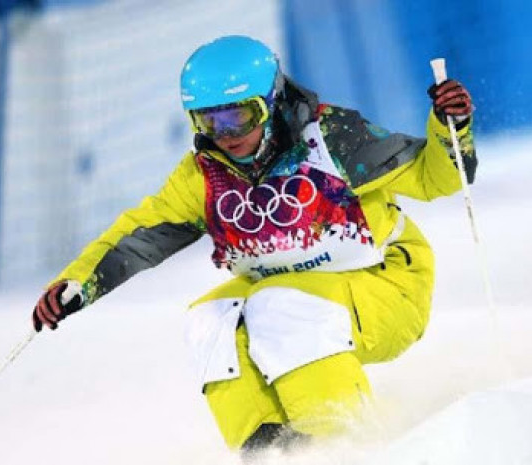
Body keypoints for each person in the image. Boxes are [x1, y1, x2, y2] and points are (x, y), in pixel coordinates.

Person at [31, 35, 476, 457]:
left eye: (238, 116)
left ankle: (347, 446)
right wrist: (79, 284)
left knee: (281, 306)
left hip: (386, 285)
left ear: (272, 102)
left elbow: (435, 176)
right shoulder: (204, 177)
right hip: (292, 300)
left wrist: (448, 127)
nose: (225, 134)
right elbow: (139, 234)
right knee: (210, 321)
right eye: (209, 120)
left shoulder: (331, 138)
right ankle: (272, 452)